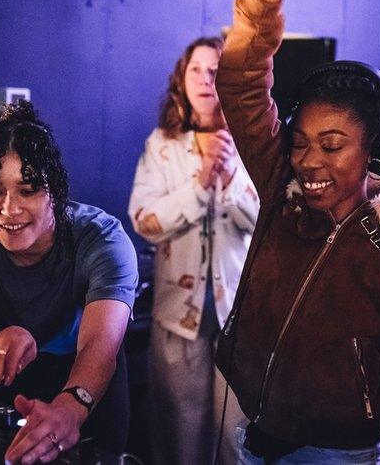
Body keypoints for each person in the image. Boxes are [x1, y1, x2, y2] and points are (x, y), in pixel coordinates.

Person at [213, 0, 380, 464]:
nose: (308, 160)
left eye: (332, 146)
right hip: (254, 431)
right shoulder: (283, 190)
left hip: (341, 451)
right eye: (301, 142)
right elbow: (240, 82)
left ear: (373, 148)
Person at [0, 102, 138, 464]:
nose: (10, 210)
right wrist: (3, 339)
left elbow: (101, 344)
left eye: (28, 190)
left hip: (87, 384)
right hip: (8, 390)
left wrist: (72, 408)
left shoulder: (102, 238)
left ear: (55, 193)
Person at [128, 36, 258, 465]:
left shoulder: (253, 142)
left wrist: (227, 179)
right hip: (176, 316)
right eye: (196, 70)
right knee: (179, 433)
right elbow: (144, 220)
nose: (205, 79)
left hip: (241, 317)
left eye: (216, 70)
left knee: (237, 436)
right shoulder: (161, 145)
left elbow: (267, 221)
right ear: (181, 81)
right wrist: (200, 182)